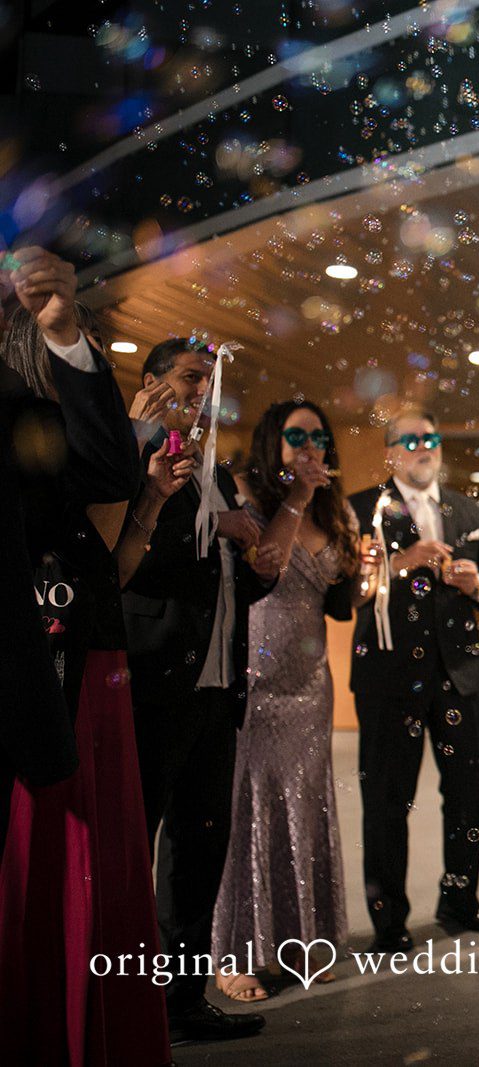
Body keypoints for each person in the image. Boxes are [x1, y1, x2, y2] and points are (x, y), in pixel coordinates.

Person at [0, 254, 171, 1065]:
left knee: (74, 868)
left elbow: (108, 471)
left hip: (60, 661)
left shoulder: (37, 410)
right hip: (36, 665)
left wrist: (66, 336)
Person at [122, 336, 272, 1044]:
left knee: (200, 847)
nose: (203, 393)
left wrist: (261, 562)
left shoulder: (220, 471)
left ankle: (182, 1000)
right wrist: (219, 524)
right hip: (155, 681)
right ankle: (125, 1004)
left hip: (217, 688)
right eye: (189, 378)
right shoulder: (137, 456)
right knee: (137, 846)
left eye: (210, 382)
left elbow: (232, 580)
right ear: (152, 382)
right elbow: (129, 559)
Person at [210, 401, 364, 1000]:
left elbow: (338, 606)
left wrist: (362, 572)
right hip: (255, 677)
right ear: (272, 440)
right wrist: (296, 495)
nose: (309, 446)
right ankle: (234, 953)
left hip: (309, 687)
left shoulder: (335, 509)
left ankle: (297, 940)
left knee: (304, 809)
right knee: (247, 811)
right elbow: (262, 568)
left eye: (319, 437)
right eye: (296, 435)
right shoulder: (246, 497)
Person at [348, 408, 479, 954]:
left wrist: (476, 581)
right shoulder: (361, 508)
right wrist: (403, 561)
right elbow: (347, 591)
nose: (424, 448)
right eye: (410, 440)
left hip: (458, 675)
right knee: (387, 800)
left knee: (467, 794)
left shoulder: (467, 507)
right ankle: (389, 919)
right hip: (389, 677)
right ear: (389, 451)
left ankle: (460, 900)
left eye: (431, 438)